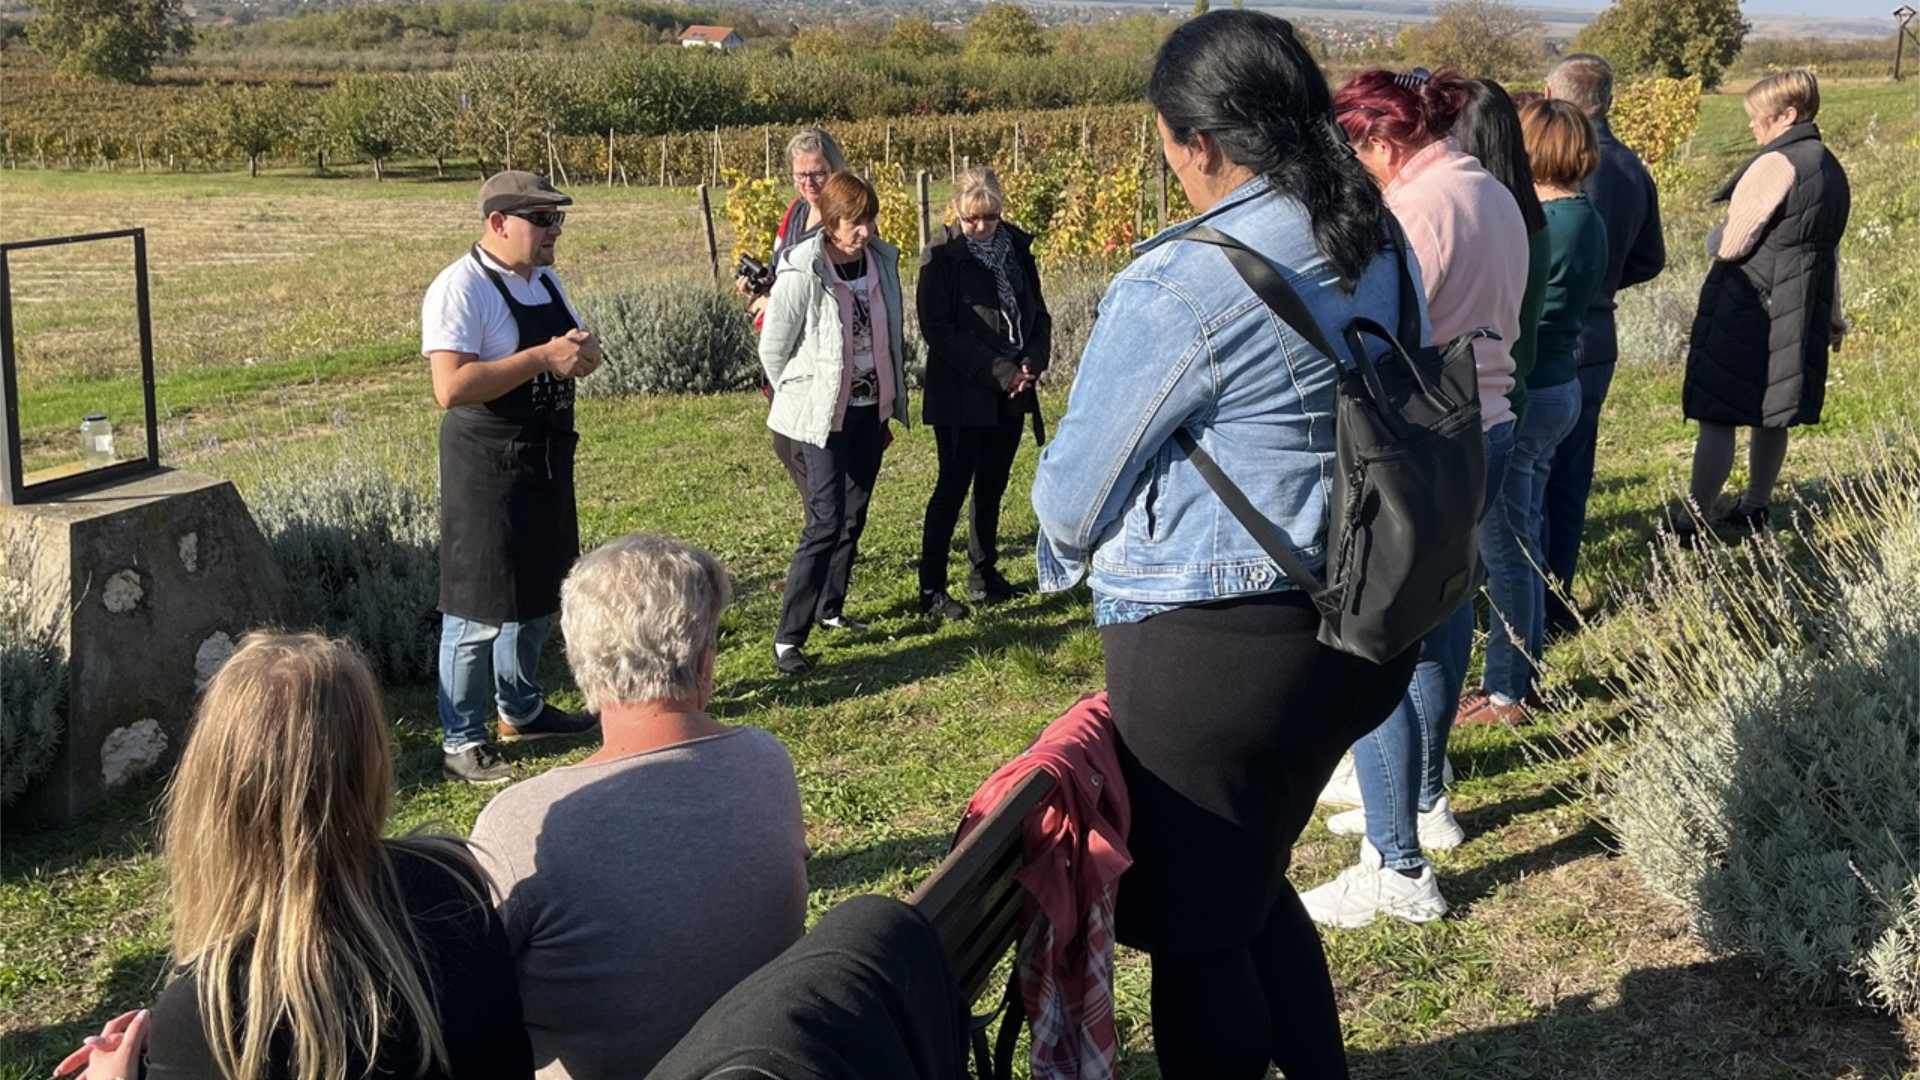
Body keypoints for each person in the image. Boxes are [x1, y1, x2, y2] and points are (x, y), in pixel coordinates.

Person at [1031, 13, 1421, 1079]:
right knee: (1246, 881)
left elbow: (1071, 502)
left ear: (1194, 143)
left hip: (1224, 658)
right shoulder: (1373, 234)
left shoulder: (1181, 283)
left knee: (1199, 927)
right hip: (1370, 619)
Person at [57, 633, 533, 1080]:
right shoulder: (452, 886)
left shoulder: (216, 1006)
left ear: (212, 785)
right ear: (372, 764)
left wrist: (166, 1048)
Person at [1301, 66, 1528, 929]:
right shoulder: (1490, 191)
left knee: (1373, 644)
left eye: (1351, 156)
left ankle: (1395, 863)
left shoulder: (1410, 213)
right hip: (1487, 426)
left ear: (1381, 143)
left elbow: (1370, 334)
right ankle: (1427, 799)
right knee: (1439, 622)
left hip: (1416, 443)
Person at [469, 534, 809, 1080]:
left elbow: (468, 1006)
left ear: (578, 658)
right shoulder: (765, 762)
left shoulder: (522, 820)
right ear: (703, 663)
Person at [423, 170, 601, 785]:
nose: (555, 231)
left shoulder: (543, 280)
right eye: (543, 220)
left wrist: (582, 354)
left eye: (559, 220)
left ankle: (520, 709)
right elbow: (450, 387)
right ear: (499, 224)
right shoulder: (460, 288)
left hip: (545, 457)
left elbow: (565, 348)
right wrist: (541, 358)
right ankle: (461, 737)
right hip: (486, 467)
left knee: (539, 593)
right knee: (477, 607)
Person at [1460, 99, 1610, 725]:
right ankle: (1524, 663)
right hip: (1560, 382)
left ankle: (1508, 689)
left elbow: (1525, 315)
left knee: (1508, 547)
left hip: (1535, 388)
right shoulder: (1583, 216)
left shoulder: (1549, 222)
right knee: (1526, 534)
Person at [1680, 69, 1850, 539]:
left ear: (1788, 116)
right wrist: (1833, 314)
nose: (1753, 129)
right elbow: (1829, 250)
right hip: (1801, 303)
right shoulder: (1829, 165)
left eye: (1759, 119)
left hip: (1748, 304)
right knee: (1773, 411)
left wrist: (1714, 233)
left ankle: (1694, 519)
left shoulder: (1774, 163)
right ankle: (1755, 507)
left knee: (1718, 413)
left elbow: (1734, 244)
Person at [759, 171, 909, 676]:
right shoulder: (804, 270)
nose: (864, 230)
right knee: (824, 519)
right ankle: (788, 638)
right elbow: (773, 350)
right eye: (854, 221)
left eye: (870, 219)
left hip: (870, 407)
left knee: (854, 512)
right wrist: (804, 392)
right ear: (830, 221)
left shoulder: (880, 262)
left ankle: (831, 609)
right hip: (821, 413)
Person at [1540, 54, 1666, 635]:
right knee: (1571, 479)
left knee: (1530, 478)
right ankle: (1556, 599)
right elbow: (1652, 259)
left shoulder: (1556, 170)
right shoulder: (1634, 169)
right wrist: (1606, 277)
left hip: (1550, 335)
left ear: (1552, 95)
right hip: (1600, 335)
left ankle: (1527, 602)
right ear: (1610, 99)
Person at [915, 165, 1052, 620]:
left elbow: (1038, 314)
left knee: (992, 484)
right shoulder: (942, 256)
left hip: (1012, 389)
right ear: (956, 210)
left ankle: (984, 572)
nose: (979, 227)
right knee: (953, 486)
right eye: (971, 218)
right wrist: (1000, 371)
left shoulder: (1015, 248)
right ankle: (931, 587)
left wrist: (1030, 362)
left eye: (988, 218)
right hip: (963, 389)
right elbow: (940, 330)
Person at [738, 128, 851, 512]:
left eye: (817, 173)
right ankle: (824, 524)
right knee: (789, 445)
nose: (808, 183)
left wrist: (777, 301)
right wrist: (759, 288)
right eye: (800, 175)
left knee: (801, 446)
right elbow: (780, 267)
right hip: (788, 348)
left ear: (834, 169)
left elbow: (840, 288)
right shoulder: (796, 211)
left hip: (820, 351)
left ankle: (827, 527)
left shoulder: (845, 220)